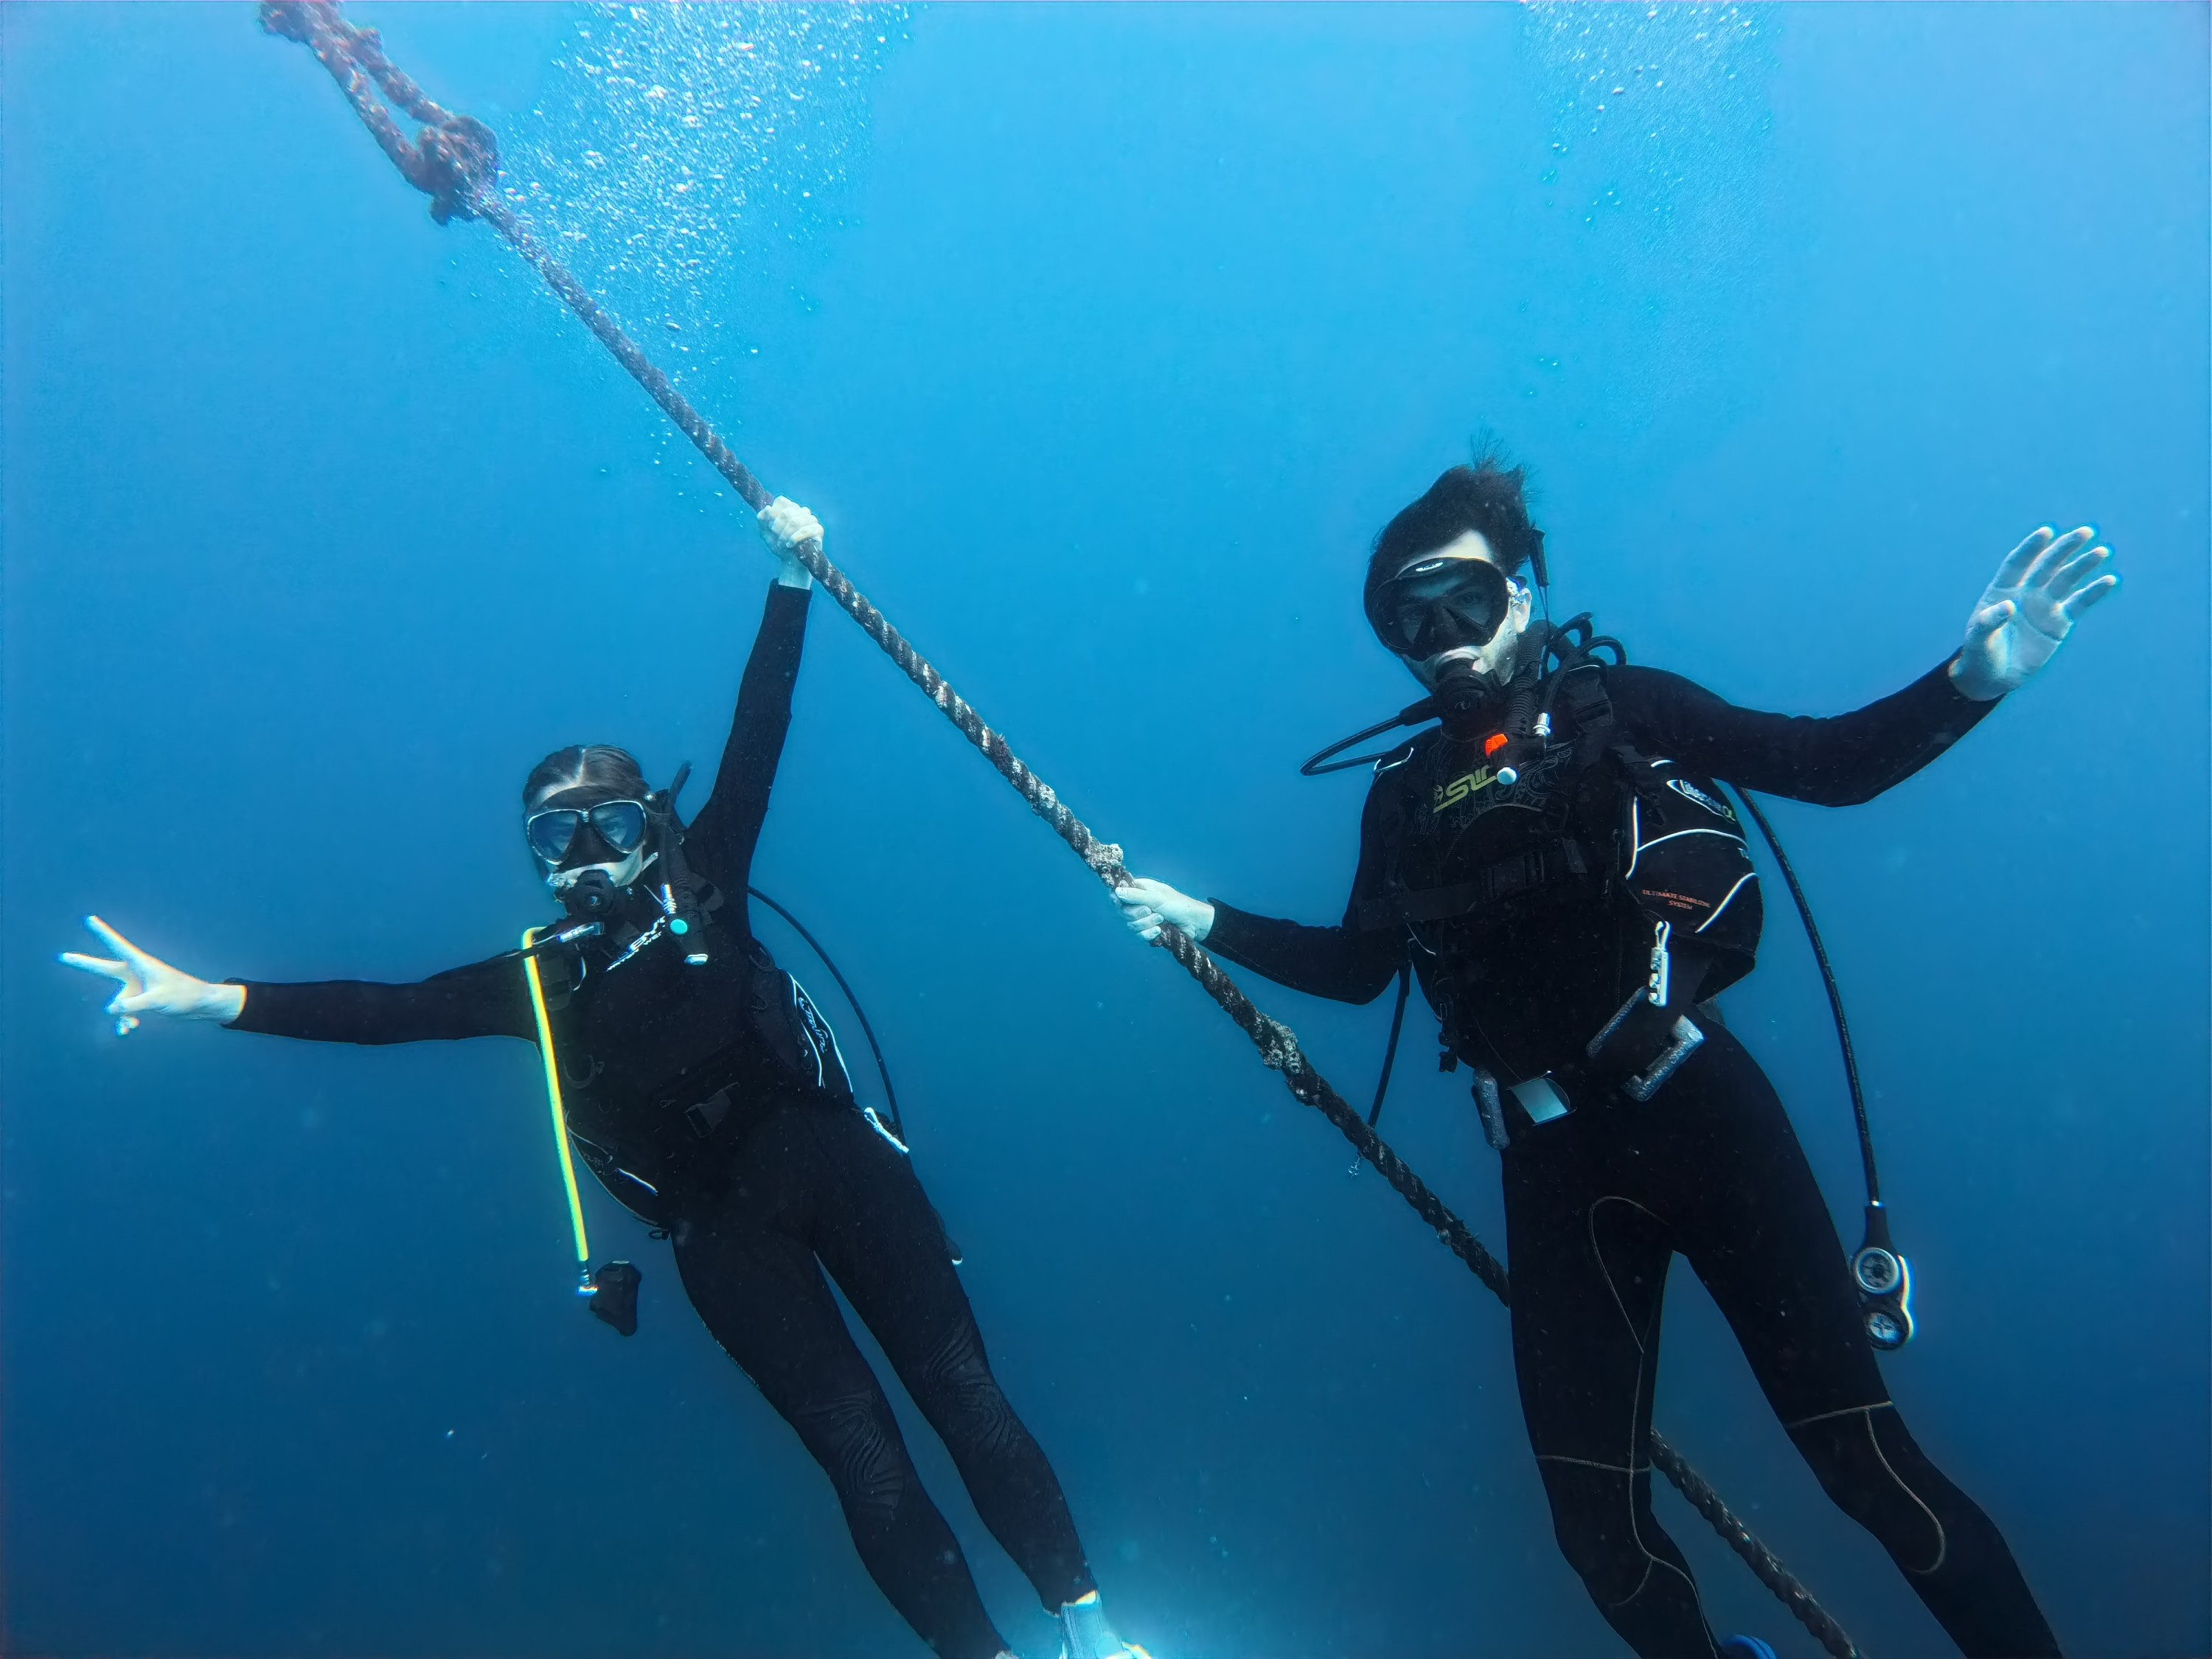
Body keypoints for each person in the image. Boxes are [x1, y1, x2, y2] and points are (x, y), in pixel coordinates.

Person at [62, 499, 1150, 1659]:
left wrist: (793, 578)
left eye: (608, 826)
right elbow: (382, 1010)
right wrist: (214, 999)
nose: (584, 859)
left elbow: (760, 731)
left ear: (652, 824)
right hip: (724, 1237)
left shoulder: (712, 871)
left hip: (835, 1156)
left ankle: (1094, 1631)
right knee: (864, 1455)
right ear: (534, 862)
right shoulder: (536, 980)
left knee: (962, 1391)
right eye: (554, 843)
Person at [1113, 459, 2109, 1659]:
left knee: (1866, 1466)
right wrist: (1200, 917)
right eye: (1406, 620)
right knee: (1598, 1532)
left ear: (1523, 592)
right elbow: (1361, 967)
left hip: (1702, 1117)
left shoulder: (1620, 706)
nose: (1439, 640)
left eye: (1462, 603)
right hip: (1550, 1168)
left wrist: (1971, 682)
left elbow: (1823, 764)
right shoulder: (1403, 791)